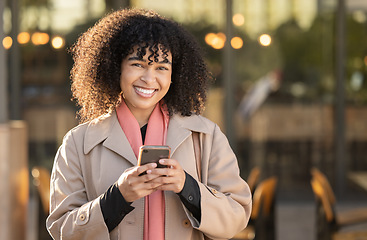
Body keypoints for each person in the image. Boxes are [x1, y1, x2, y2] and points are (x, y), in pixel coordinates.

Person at [46, 8, 252, 240]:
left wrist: (188, 187)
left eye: (161, 68)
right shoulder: (77, 142)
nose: (149, 78)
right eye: (138, 64)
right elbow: (62, 229)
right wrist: (118, 197)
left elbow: (237, 215)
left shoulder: (206, 135)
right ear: (115, 66)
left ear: (175, 73)